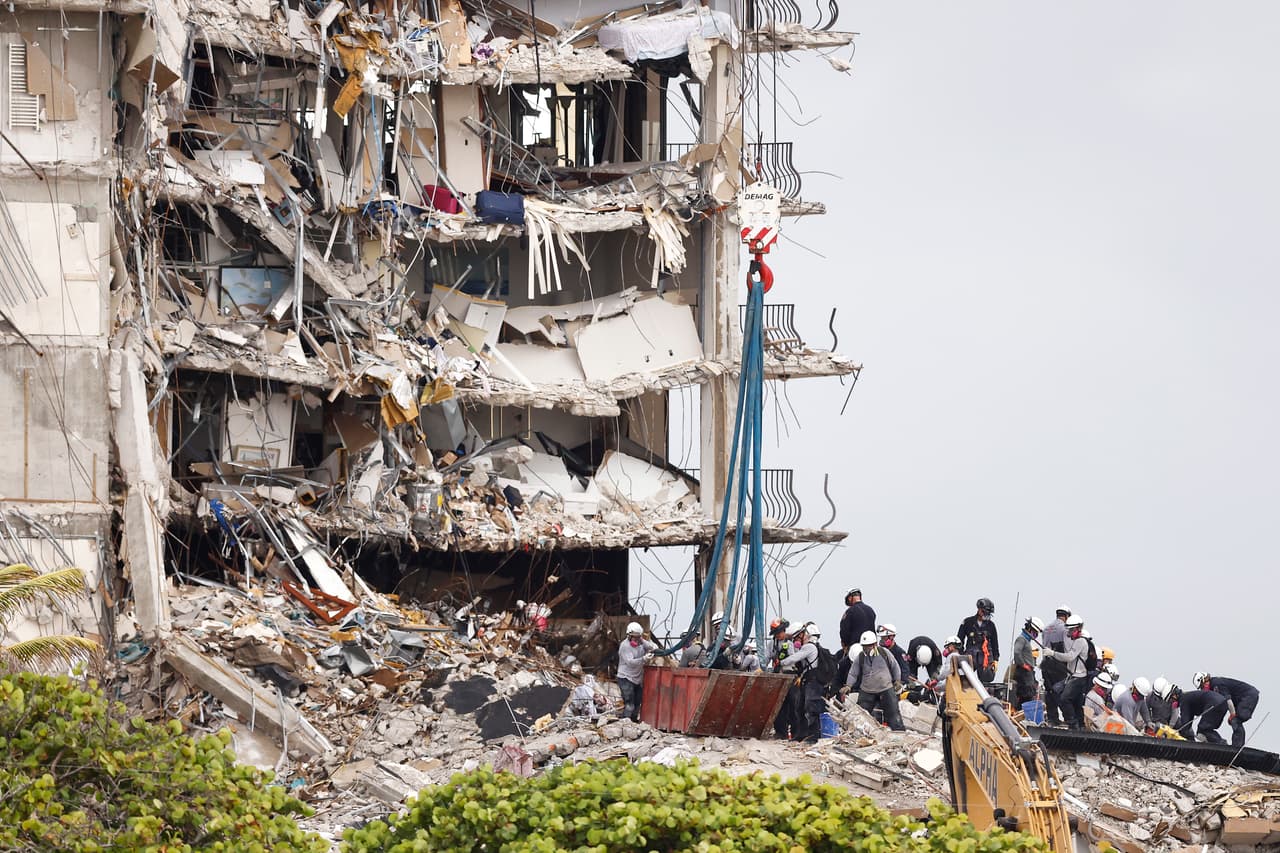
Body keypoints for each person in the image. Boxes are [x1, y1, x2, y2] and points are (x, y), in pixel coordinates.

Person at [842, 630, 905, 731]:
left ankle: (900, 735)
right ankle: (859, 735)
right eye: (864, 646)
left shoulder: (884, 653)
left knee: (893, 715)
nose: (866, 649)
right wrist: (848, 685)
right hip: (867, 691)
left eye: (869, 646)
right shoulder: (861, 657)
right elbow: (853, 673)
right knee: (861, 716)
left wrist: (897, 680)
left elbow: (895, 667)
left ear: (875, 644)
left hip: (886, 688)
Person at [779, 623, 823, 742]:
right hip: (806, 681)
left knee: (811, 709)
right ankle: (801, 735)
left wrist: (782, 662)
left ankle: (813, 736)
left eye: (797, 638)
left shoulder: (809, 647)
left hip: (813, 683)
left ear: (803, 635)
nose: (796, 641)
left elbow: (794, 658)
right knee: (800, 708)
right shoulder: (807, 647)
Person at [1046, 614, 1090, 730]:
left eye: (1071, 630)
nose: (1069, 633)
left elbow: (1070, 657)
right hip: (1074, 677)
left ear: (1078, 629)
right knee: (1074, 702)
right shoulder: (1076, 641)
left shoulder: (1080, 641)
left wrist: (1053, 653)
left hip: (1078, 678)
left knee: (1064, 699)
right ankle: (1080, 725)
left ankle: (1072, 724)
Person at [1196, 672, 1261, 748]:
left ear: (1205, 680)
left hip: (1248, 696)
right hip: (1241, 699)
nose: (1203, 689)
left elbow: (1228, 701)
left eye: (1202, 686)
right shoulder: (1213, 688)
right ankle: (1234, 745)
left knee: (1236, 720)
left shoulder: (1216, 684)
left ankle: (1237, 747)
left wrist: (1232, 714)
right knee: (1235, 720)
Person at [616, 622, 656, 722]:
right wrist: (644, 659)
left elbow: (651, 647)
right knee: (630, 704)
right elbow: (630, 662)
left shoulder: (640, 642)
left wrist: (652, 648)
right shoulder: (625, 646)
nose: (636, 640)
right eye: (634, 637)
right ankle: (625, 724)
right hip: (625, 678)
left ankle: (633, 723)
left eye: (638, 637)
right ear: (629, 636)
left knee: (637, 703)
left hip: (637, 678)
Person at [1039, 605, 1072, 726]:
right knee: (1061, 692)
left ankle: (1053, 718)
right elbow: (1067, 648)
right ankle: (1069, 719)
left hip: (1045, 664)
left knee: (1049, 692)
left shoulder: (1047, 628)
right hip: (1058, 664)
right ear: (1067, 616)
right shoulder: (1065, 629)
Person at [837, 588, 876, 689]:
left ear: (850, 598)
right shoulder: (871, 610)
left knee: (843, 669)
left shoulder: (849, 612)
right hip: (871, 649)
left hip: (854, 649)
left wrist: (845, 645)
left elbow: (844, 631)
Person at [958, 598, 1000, 683]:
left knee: (987, 678)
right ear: (980, 610)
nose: (987, 615)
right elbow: (959, 640)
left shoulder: (991, 625)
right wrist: (961, 654)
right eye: (985, 612)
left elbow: (995, 644)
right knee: (964, 679)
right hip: (970, 656)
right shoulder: (967, 622)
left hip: (986, 657)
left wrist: (996, 659)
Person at [1010, 617, 1044, 705]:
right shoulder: (1021, 639)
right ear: (1029, 629)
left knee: (1029, 693)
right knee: (1026, 694)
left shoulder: (1027, 641)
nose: (1035, 636)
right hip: (1023, 672)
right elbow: (1017, 652)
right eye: (1035, 633)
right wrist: (1023, 664)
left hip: (1028, 672)